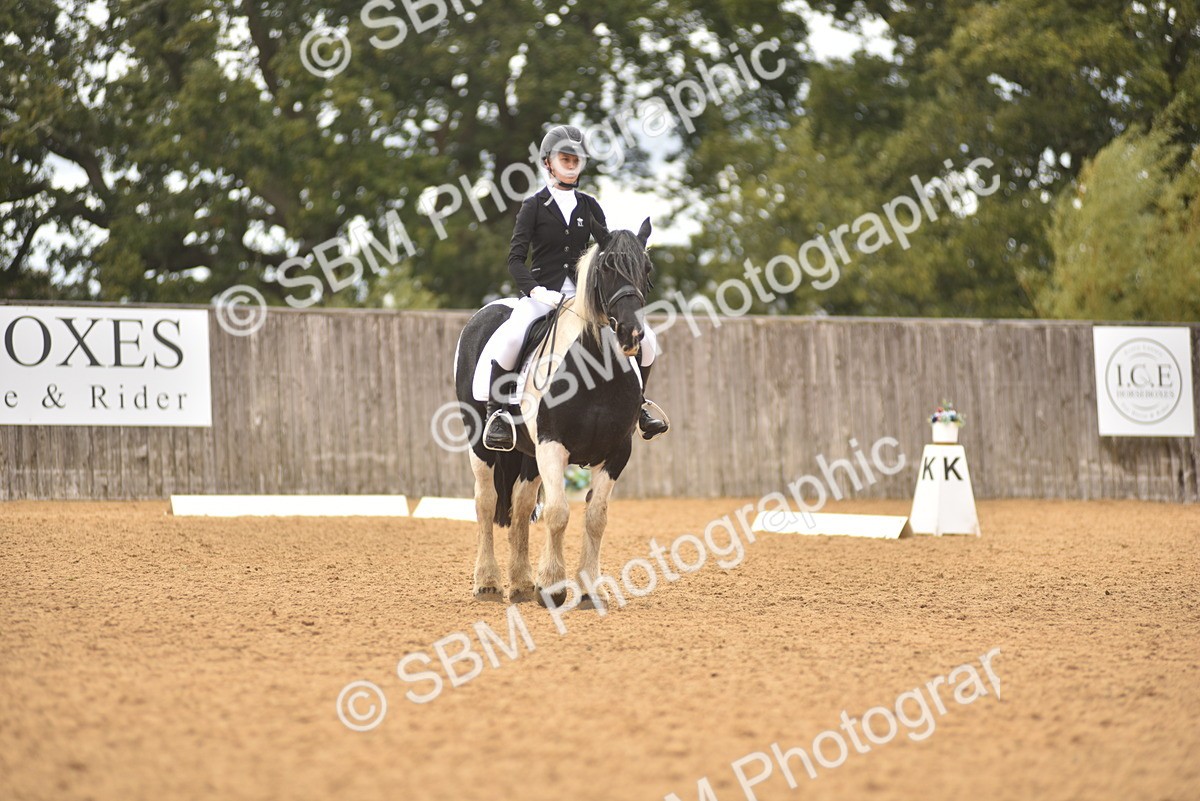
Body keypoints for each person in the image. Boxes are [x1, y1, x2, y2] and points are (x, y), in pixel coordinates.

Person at [471, 124, 669, 452]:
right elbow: (515, 260)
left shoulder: (590, 206)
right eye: (564, 157)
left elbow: (604, 253)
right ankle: (499, 414)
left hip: (584, 298)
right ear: (548, 163)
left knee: (647, 338)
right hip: (542, 295)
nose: (571, 162)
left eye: (576, 158)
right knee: (512, 334)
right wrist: (536, 291)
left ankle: (640, 406)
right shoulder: (533, 206)